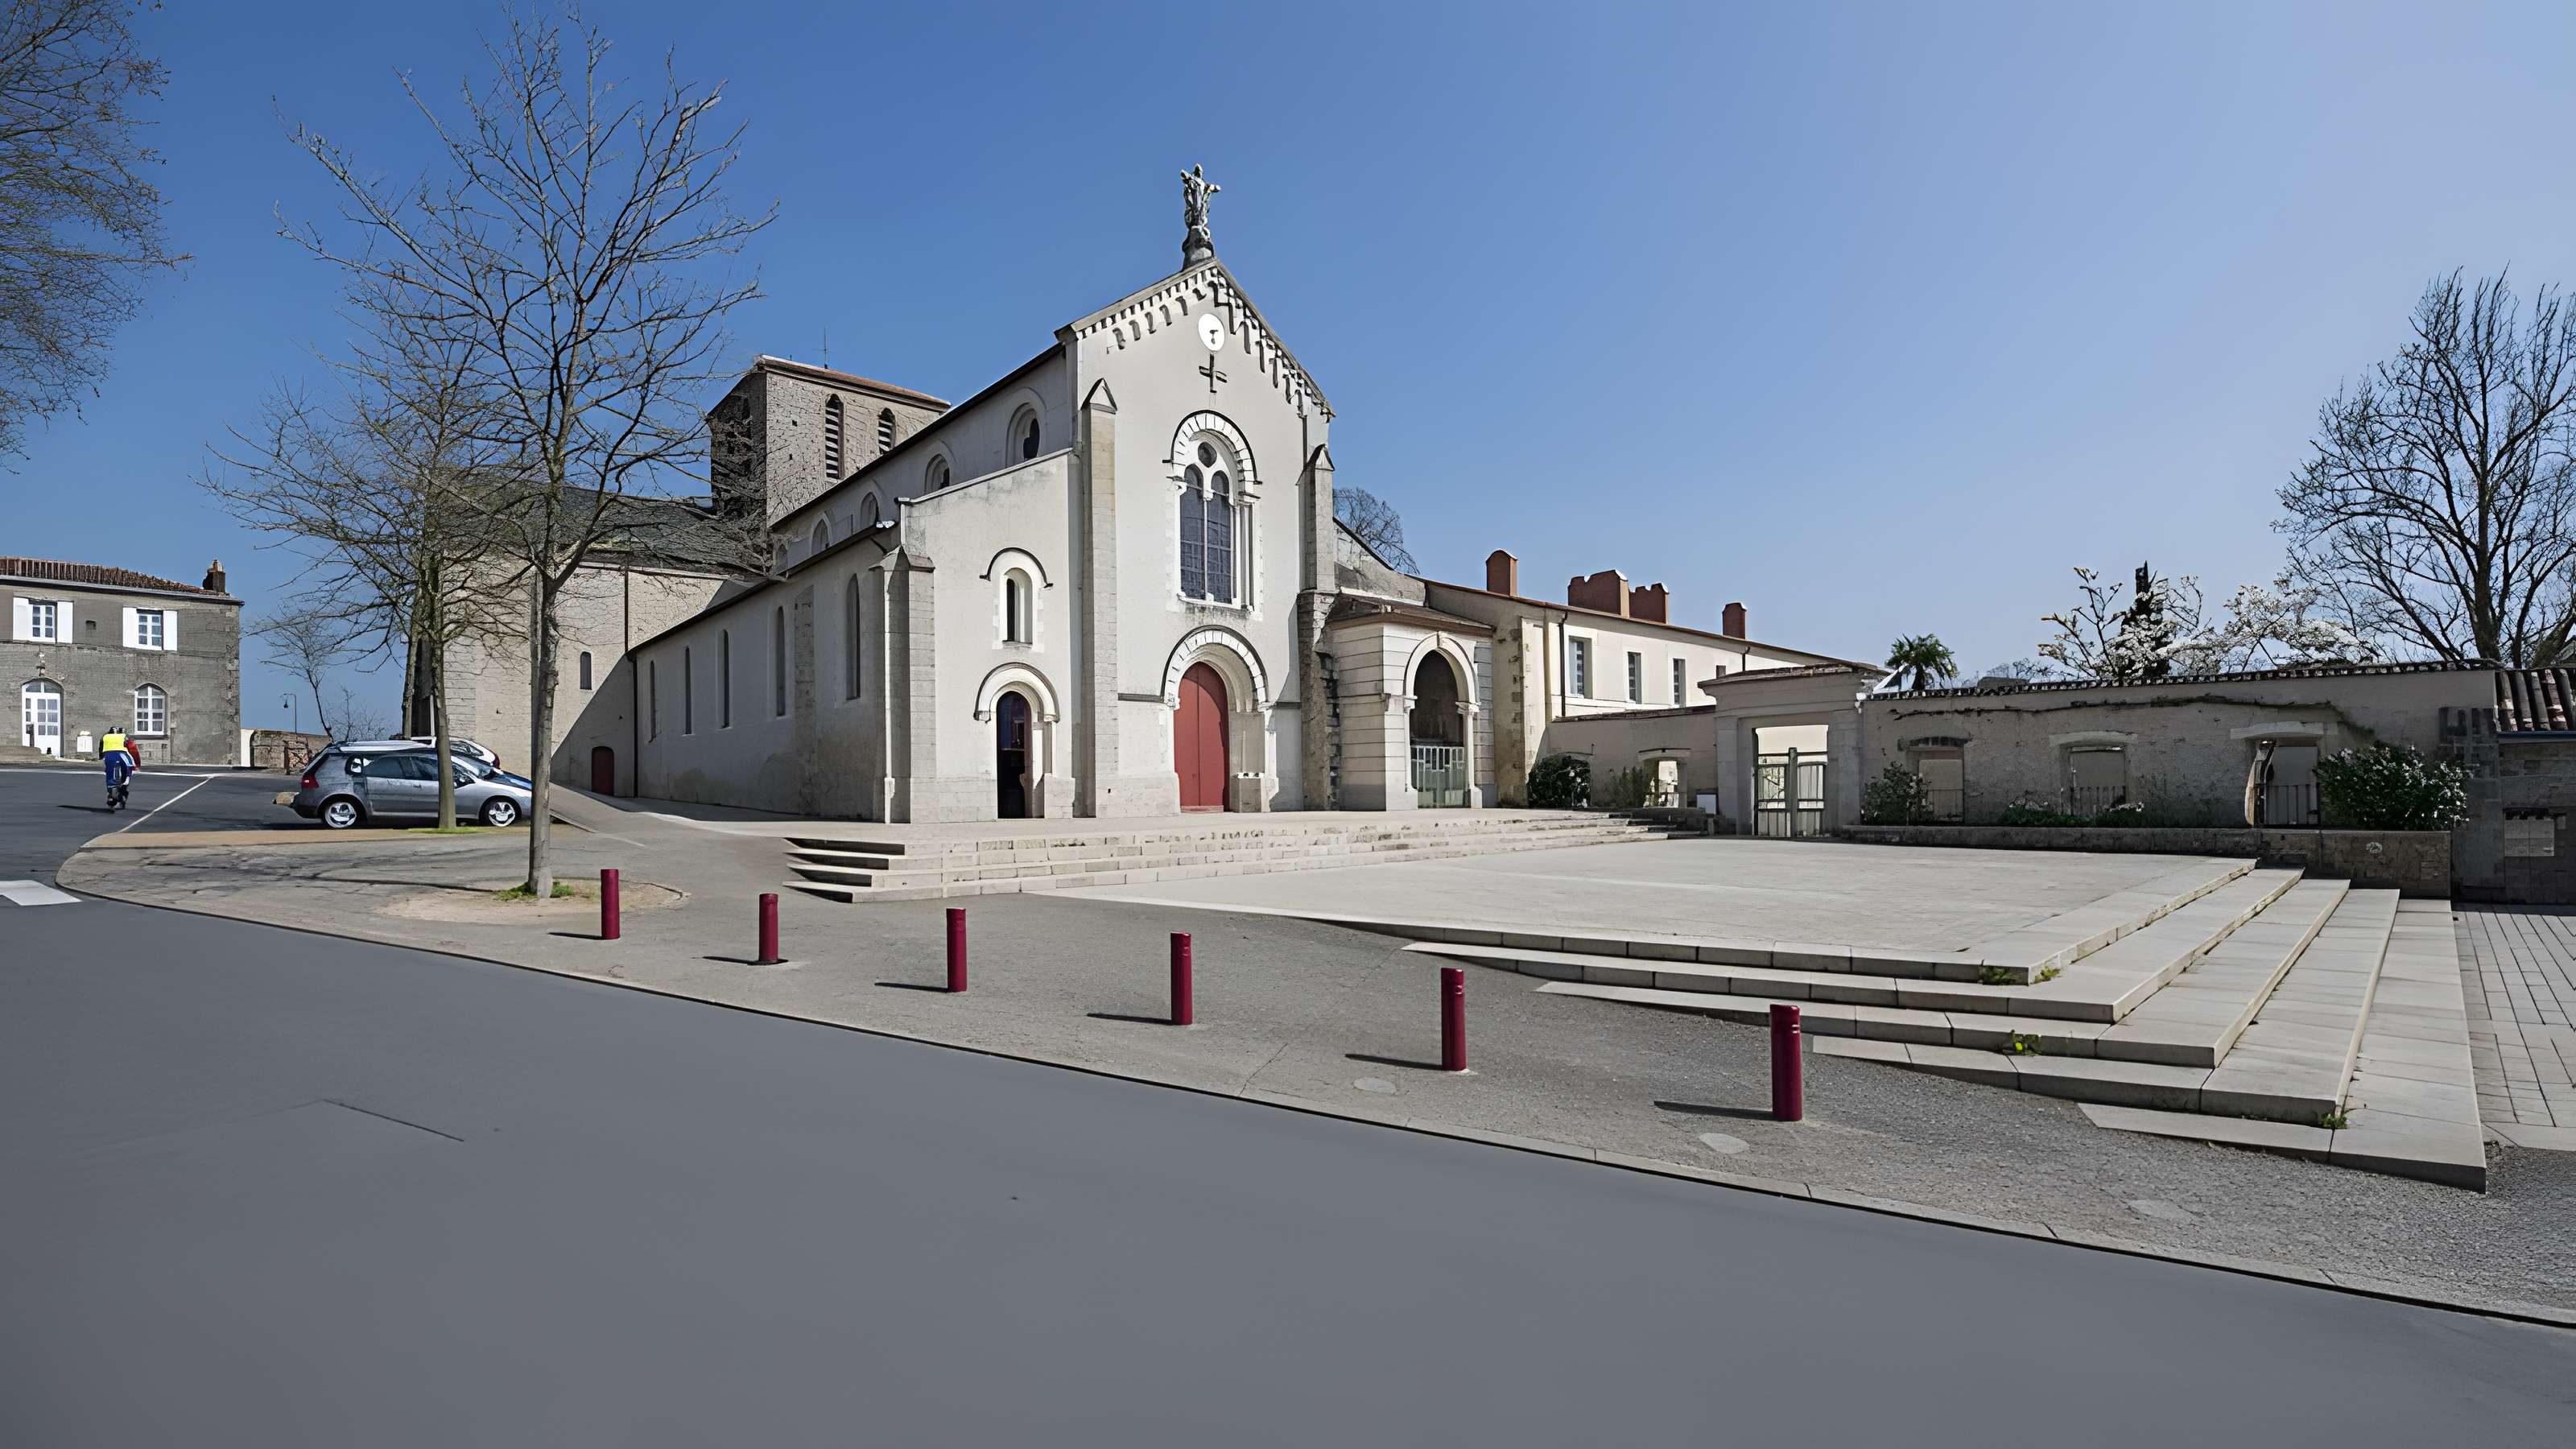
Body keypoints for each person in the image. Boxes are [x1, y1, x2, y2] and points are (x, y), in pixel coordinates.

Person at [100, 725, 138, 804]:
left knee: (109, 772)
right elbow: (133, 749)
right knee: (128, 770)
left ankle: (111, 790)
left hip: (109, 755)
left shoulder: (105, 736)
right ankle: (123, 788)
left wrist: (101, 756)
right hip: (122, 755)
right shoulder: (124, 737)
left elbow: (101, 747)